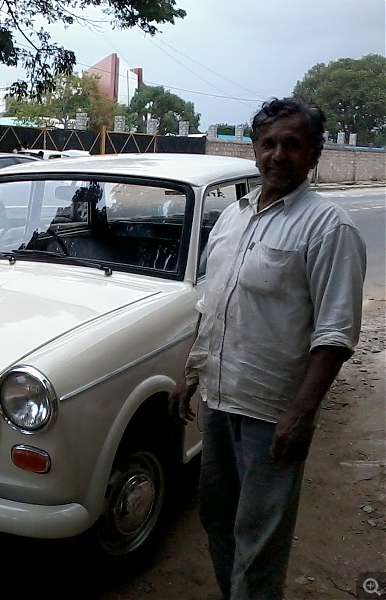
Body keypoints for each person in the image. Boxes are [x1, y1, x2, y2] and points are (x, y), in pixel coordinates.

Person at [168, 97, 366, 600]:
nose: (278, 155)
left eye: (292, 145)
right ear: (254, 151)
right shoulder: (233, 219)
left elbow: (336, 332)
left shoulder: (328, 227)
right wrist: (190, 374)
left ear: (314, 154)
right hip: (217, 400)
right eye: (268, 144)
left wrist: (302, 413)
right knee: (217, 519)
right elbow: (213, 305)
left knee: (260, 539)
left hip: (272, 412)